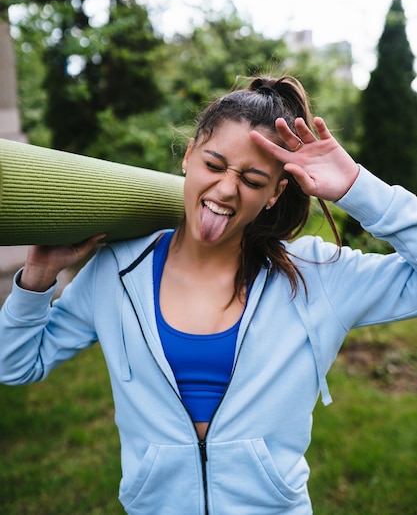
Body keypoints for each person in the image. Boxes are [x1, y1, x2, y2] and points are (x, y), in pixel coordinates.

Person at [0, 75, 417, 515]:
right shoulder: (117, 270)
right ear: (188, 156)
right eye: (214, 165)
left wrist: (357, 187)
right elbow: (16, 364)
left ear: (276, 193)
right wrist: (38, 277)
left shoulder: (317, 276)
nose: (225, 189)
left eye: (254, 180)